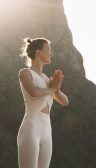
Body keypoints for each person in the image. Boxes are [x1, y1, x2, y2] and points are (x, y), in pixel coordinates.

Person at [17, 37, 69, 168]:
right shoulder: (25, 73)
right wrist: (52, 88)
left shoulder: (47, 79)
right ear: (38, 52)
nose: (51, 53)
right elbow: (33, 92)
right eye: (49, 50)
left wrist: (56, 88)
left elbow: (65, 102)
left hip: (47, 131)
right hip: (31, 128)